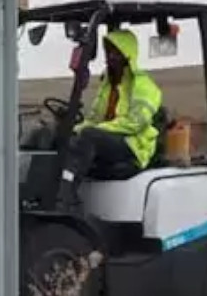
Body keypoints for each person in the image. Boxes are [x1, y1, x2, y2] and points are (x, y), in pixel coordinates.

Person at [56, 28, 163, 211]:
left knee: (90, 136)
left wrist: (96, 129)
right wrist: (74, 128)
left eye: (115, 52)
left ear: (127, 55)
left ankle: (66, 196)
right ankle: (50, 188)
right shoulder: (108, 87)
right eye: (108, 52)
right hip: (111, 140)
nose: (110, 57)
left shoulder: (144, 86)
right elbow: (94, 119)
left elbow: (135, 123)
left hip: (133, 145)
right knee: (61, 135)